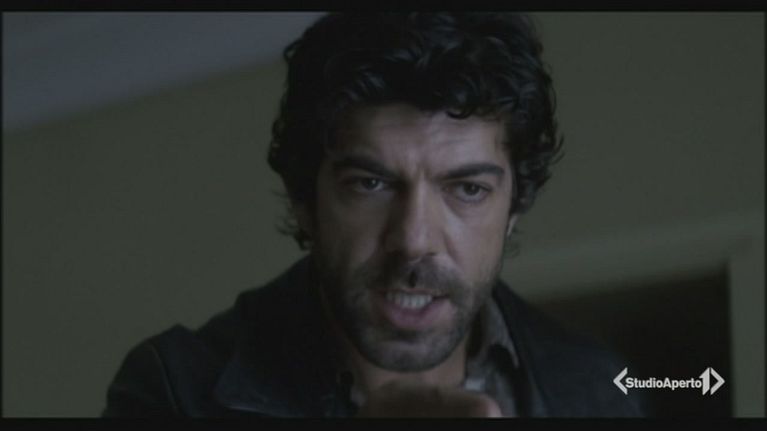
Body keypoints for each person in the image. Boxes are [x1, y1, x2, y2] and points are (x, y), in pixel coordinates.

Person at [103, 12, 646, 417]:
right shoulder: (174, 391)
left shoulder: (602, 389)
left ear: (513, 209)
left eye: (467, 189)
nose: (413, 240)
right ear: (304, 200)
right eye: (370, 184)